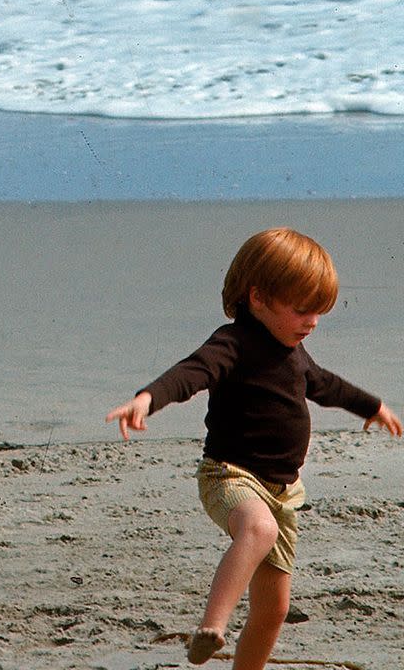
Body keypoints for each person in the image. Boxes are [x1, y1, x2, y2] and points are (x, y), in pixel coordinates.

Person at [106, 227, 401, 670]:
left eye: (319, 312)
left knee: (273, 610)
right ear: (258, 297)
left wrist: (371, 405)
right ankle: (212, 627)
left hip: (283, 492)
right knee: (257, 531)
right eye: (302, 310)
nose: (312, 322)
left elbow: (326, 386)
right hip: (231, 476)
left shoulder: (294, 352)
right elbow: (191, 373)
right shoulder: (233, 344)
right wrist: (147, 398)